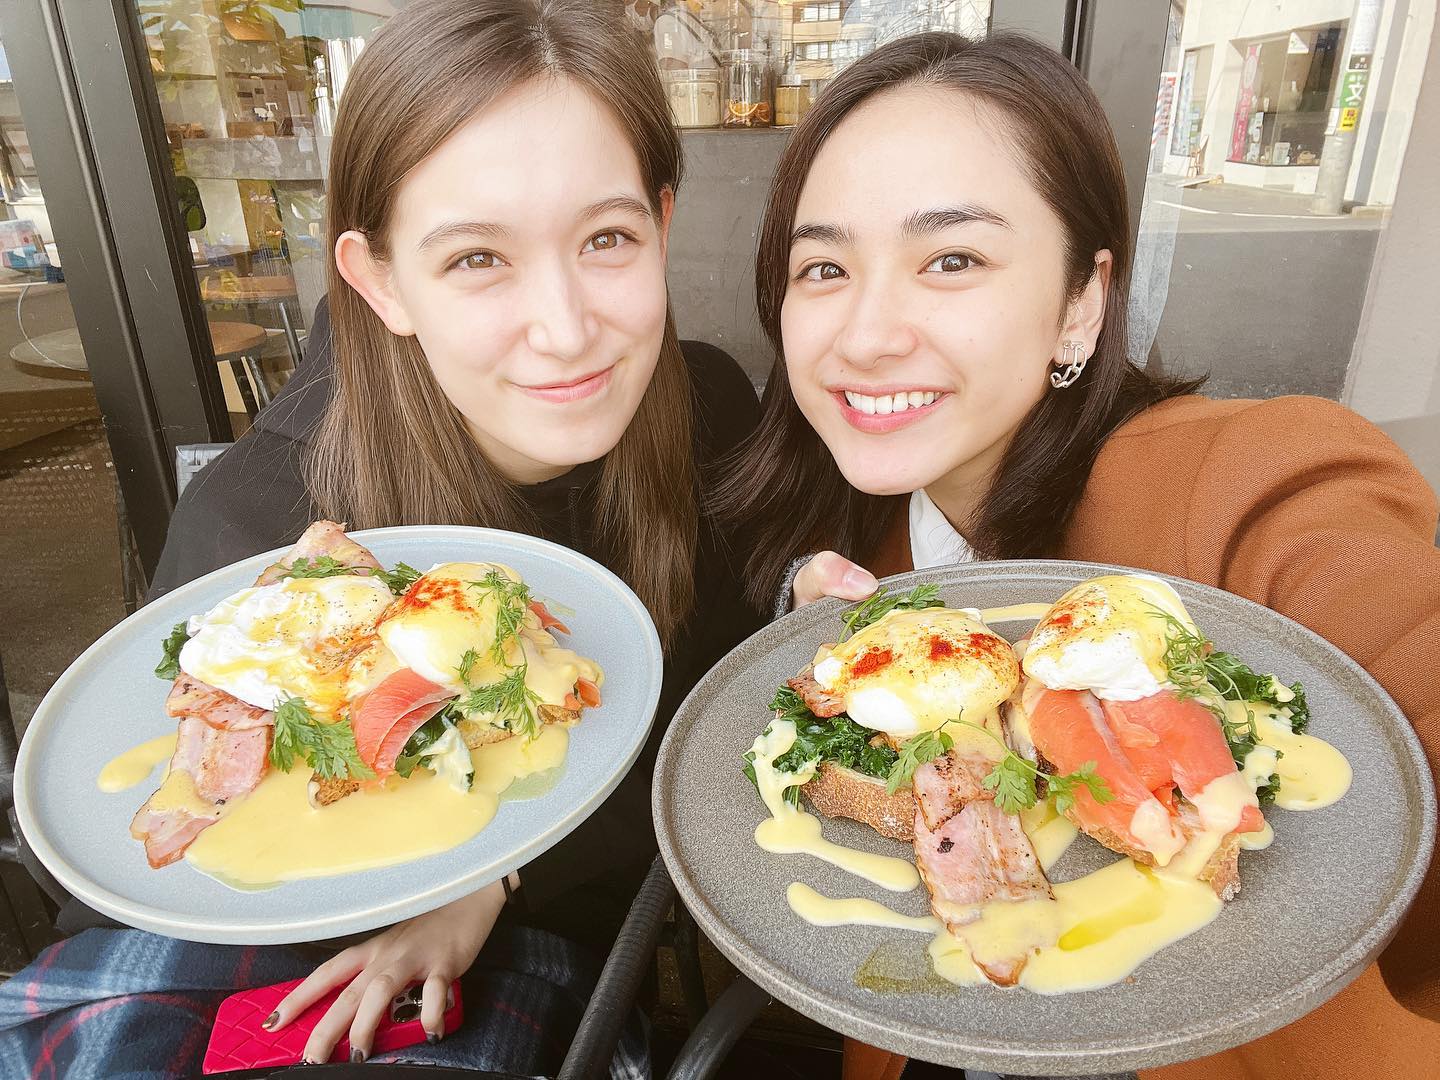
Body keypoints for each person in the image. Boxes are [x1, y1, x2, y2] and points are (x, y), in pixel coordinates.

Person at [0, 1, 760, 1074]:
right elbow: (148, 880)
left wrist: (491, 884)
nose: (566, 328)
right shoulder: (264, 523)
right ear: (381, 281)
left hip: (558, 967)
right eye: (477, 258)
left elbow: (707, 729)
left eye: (607, 239)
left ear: (663, 228)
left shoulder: (711, 412)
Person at [716, 30, 1440, 1080]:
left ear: (1081, 302)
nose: (864, 335)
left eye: (952, 259)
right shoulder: (869, 554)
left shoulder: (1251, 482)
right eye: (824, 266)